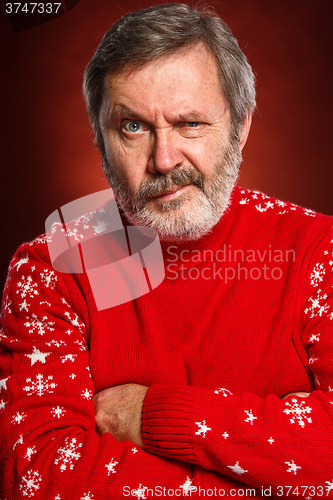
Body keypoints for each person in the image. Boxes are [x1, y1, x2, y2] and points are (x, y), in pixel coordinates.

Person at [1, 3, 333, 499]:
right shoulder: (51, 270)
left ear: (240, 128)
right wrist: (270, 480)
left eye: (190, 123)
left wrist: (150, 416)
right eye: (133, 127)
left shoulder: (318, 251)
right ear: (100, 140)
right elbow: (42, 478)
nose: (163, 159)